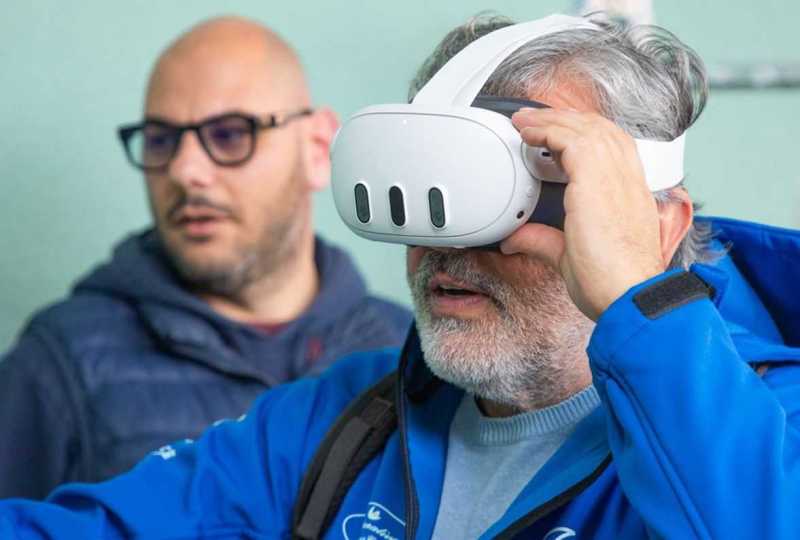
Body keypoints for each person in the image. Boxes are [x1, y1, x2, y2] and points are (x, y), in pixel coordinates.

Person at [2, 12, 800, 539]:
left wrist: (639, 301)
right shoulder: (344, 423)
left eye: (512, 194)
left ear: (657, 225)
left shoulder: (775, 423)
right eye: (425, 195)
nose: (447, 247)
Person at [0, 16, 411, 500]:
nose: (184, 170)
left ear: (318, 150)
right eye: (161, 139)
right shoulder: (60, 362)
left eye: (231, 134)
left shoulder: (409, 351)